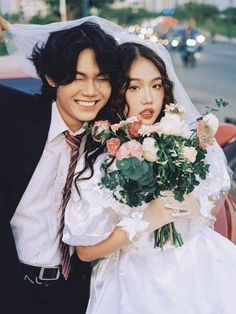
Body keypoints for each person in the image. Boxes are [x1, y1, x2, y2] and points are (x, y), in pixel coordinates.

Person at [62, 33, 236, 313]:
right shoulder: (102, 157)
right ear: (118, 91)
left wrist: (198, 207)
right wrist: (146, 220)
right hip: (135, 282)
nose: (148, 98)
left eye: (156, 86)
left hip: (200, 269)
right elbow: (85, 251)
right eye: (134, 87)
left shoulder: (187, 139)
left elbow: (218, 193)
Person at [0, 16, 121, 314]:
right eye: (77, 77)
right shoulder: (14, 116)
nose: (91, 91)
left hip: (74, 292)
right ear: (52, 78)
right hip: (12, 286)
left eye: (101, 78)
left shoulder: (110, 138)